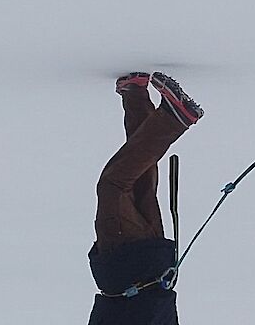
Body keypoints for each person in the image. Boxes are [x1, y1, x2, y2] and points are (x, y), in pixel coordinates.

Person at [87, 71, 204, 325]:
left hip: (153, 264)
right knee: (112, 186)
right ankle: (175, 118)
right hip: (122, 263)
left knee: (140, 178)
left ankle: (135, 94)